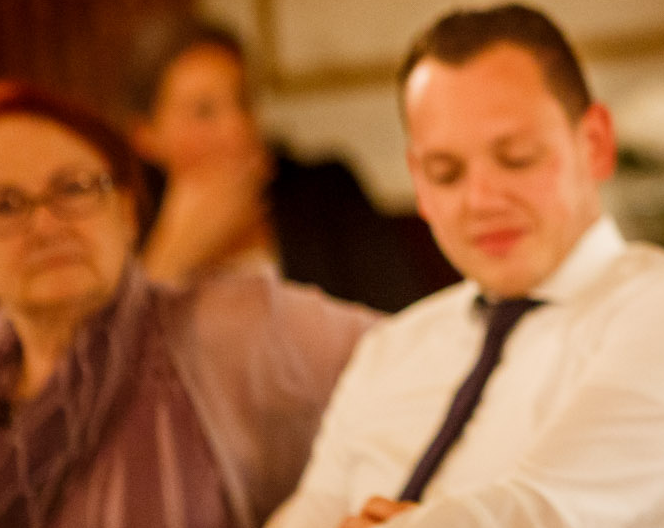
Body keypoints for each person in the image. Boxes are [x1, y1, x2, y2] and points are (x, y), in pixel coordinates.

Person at [71, 2, 664, 528]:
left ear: (594, 143)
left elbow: (537, 524)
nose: (482, 198)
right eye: (445, 170)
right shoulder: (394, 347)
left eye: (516, 157)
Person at [0, 80, 373, 528]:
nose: (47, 224)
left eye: (74, 188)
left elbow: (415, 351)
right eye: (6, 206)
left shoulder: (229, 326)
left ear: (125, 211)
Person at [125, 17, 455, 310]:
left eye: (243, 101)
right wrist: (173, 255)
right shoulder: (130, 226)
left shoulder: (325, 191)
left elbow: (400, 320)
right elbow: (108, 367)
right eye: (203, 112)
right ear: (147, 137)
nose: (237, 128)